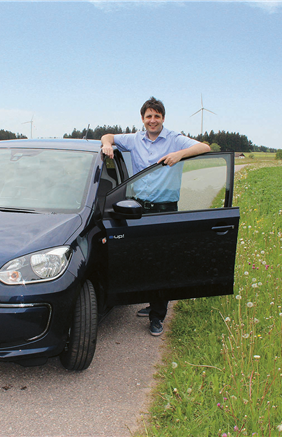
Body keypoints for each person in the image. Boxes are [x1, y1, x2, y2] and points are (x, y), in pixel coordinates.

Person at [100, 96, 210, 336]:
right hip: (138, 208)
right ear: (142, 119)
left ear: (163, 119)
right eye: (148, 116)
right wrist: (107, 145)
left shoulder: (174, 139)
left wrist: (180, 154)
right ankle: (152, 302)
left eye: (156, 116)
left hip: (164, 207)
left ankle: (157, 316)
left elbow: (205, 147)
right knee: (142, 259)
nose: (152, 120)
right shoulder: (134, 139)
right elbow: (108, 136)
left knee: (162, 262)